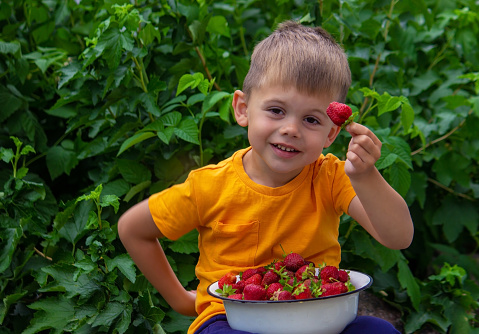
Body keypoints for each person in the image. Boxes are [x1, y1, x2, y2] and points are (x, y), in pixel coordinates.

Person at [118, 20, 413, 334]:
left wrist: (365, 176)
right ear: (243, 109)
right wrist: (181, 300)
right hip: (231, 319)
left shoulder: (330, 177)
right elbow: (133, 229)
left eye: (311, 119)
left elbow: (398, 237)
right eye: (276, 110)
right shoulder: (210, 186)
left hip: (319, 316)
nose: (291, 129)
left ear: (331, 133)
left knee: (379, 331)